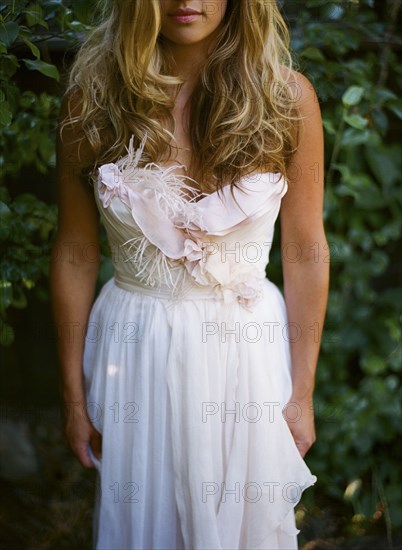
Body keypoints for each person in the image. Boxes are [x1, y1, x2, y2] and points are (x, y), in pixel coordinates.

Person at [50, 0, 329, 548]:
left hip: (245, 351)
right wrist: (74, 399)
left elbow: (304, 249)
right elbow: (75, 250)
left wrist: (303, 390)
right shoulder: (94, 104)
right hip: (134, 351)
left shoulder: (286, 100)